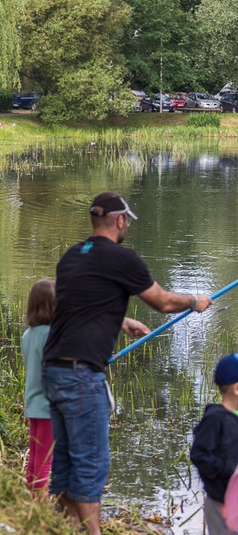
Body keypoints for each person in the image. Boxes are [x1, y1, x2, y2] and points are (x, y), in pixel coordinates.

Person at [42, 191, 212, 534]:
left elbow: (76, 304)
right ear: (120, 220)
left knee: (63, 465)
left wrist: (122, 322)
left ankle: (67, 527)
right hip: (81, 375)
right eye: (127, 221)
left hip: (53, 369)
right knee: (90, 467)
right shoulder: (123, 258)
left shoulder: (72, 257)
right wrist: (195, 300)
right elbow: (162, 302)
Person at [190, 353, 238, 535]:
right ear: (236, 388)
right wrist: (229, 470)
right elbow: (199, 455)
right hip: (220, 502)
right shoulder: (215, 419)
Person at [22, 279, 56, 498]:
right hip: (48, 407)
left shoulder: (28, 335)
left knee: (35, 457)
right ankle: (39, 507)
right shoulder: (52, 335)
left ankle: (32, 498)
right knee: (45, 461)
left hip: (32, 404)